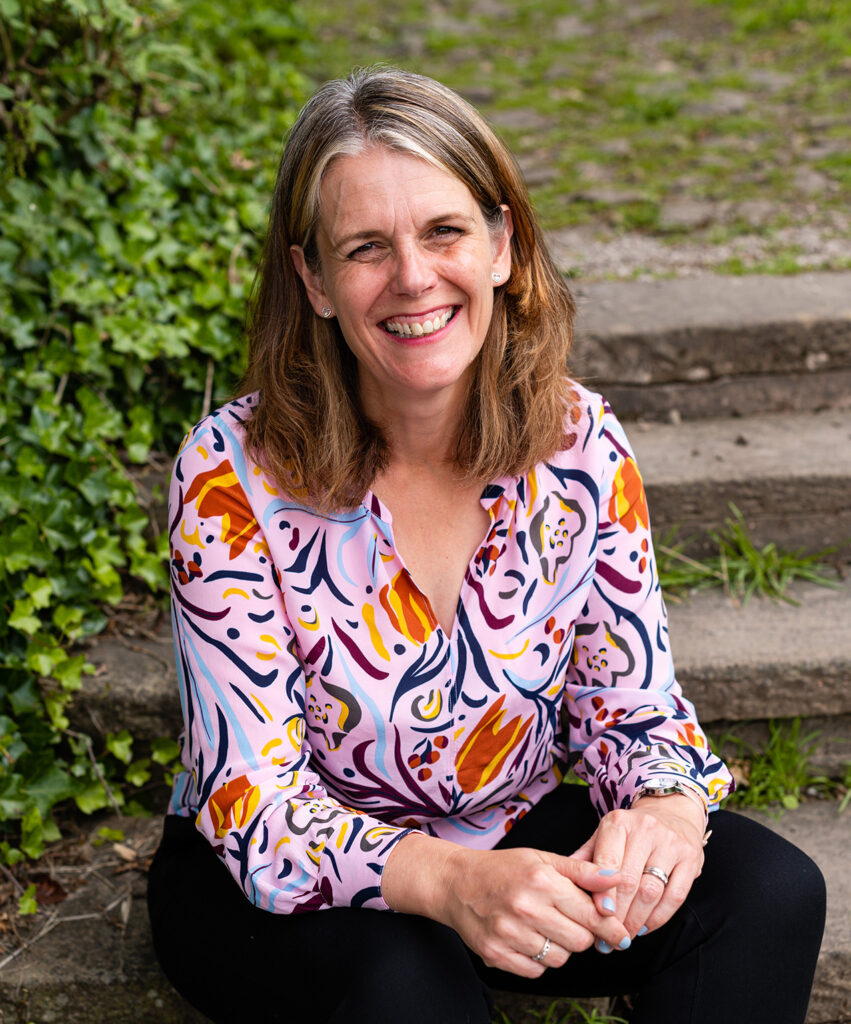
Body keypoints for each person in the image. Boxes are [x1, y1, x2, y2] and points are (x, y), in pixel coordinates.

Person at [147, 67, 825, 1024]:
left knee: (767, 892)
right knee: (406, 982)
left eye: (443, 231)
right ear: (315, 281)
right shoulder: (230, 477)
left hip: (503, 834)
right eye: (365, 248)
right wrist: (449, 882)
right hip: (276, 887)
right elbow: (256, 806)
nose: (414, 278)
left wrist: (665, 812)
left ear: (503, 243)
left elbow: (630, 706)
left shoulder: (577, 440)